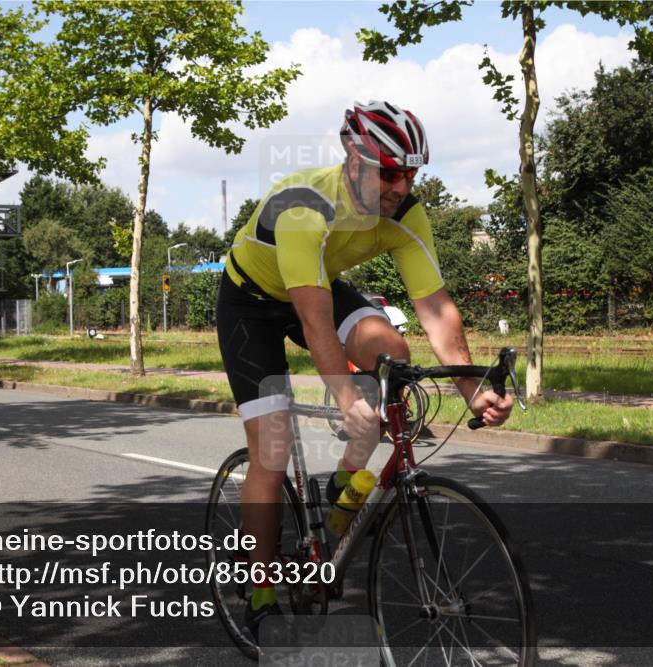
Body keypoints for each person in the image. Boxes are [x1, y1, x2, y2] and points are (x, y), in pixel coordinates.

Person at [215, 100, 514, 639]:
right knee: (271, 450)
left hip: (317, 284)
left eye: (411, 174)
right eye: (390, 172)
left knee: (391, 356)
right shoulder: (305, 205)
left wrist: (472, 389)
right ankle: (260, 591)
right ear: (354, 160)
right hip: (251, 302)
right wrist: (347, 400)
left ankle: (342, 488)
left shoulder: (405, 213)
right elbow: (315, 321)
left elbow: (435, 309)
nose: (402, 186)